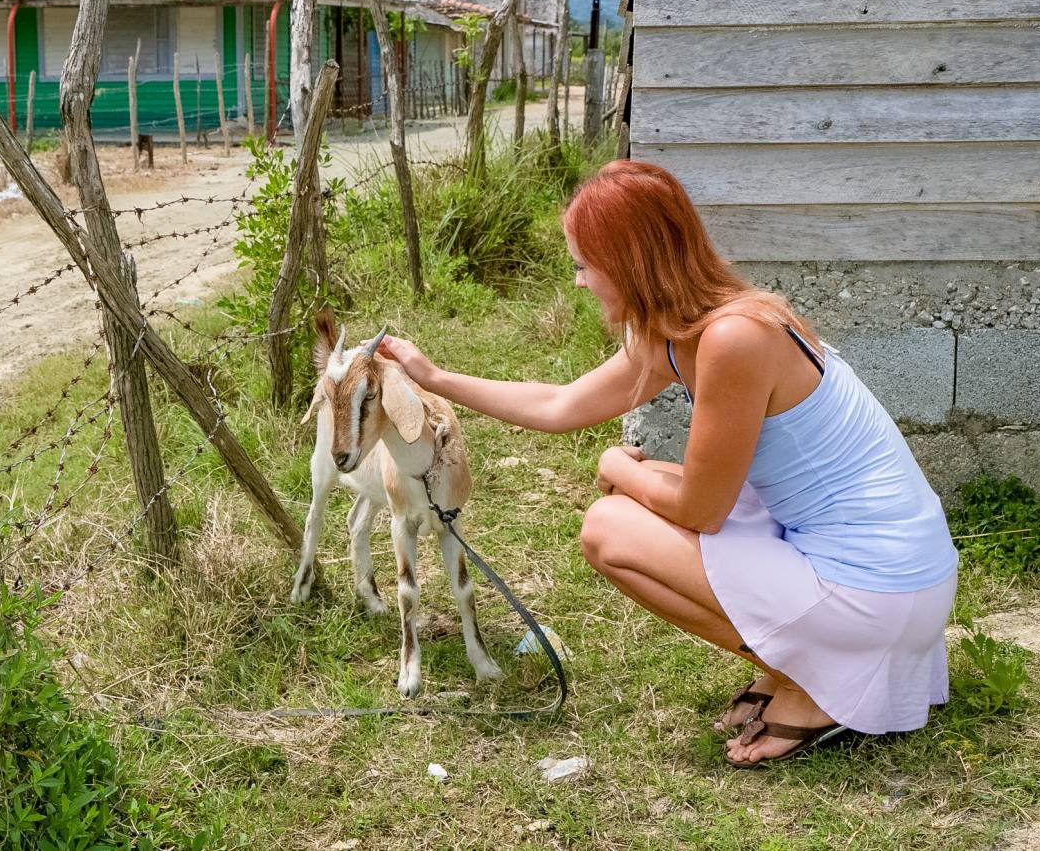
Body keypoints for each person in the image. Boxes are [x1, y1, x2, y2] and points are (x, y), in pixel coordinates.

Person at [375, 160, 959, 768]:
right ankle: (798, 665)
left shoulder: (734, 339)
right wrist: (435, 377)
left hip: (880, 592)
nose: (579, 282)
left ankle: (815, 686)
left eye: (583, 265)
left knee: (608, 527)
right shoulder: (686, 329)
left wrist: (614, 464)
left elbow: (702, 512)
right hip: (889, 573)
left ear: (628, 263)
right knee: (641, 493)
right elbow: (560, 403)